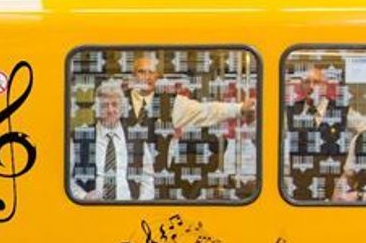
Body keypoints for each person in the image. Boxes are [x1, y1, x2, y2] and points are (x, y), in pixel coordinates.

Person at [128, 54, 256, 200]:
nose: (147, 77)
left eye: (151, 72)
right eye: (142, 72)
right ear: (133, 76)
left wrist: (239, 109)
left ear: (157, 76)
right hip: (124, 184)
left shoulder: (173, 103)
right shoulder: (119, 101)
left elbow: (207, 110)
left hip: (157, 185)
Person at [284, 66, 366, 201]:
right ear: (302, 86)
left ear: (325, 86)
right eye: (307, 82)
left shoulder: (341, 110)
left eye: (316, 82)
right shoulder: (291, 111)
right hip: (299, 191)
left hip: (332, 189)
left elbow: (363, 126)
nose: (311, 86)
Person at [70, 81, 154, 201]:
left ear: (122, 108)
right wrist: (83, 196)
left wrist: (140, 206)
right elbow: (66, 178)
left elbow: (147, 178)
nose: (110, 110)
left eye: (115, 104)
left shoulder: (136, 137)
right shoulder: (80, 137)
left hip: (128, 211)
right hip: (91, 211)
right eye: (104, 105)